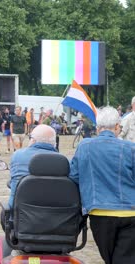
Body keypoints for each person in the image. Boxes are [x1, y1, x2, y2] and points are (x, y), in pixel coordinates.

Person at [69, 106, 135, 264]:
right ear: (118, 127)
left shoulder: (84, 146)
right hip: (130, 212)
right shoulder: (130, 148)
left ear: (97, 128)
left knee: (110, 258)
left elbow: (74, 176)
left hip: (99, 213)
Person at [8, 125, 59, 208]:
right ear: (54, 143)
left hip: (20, 215)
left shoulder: (17, 156)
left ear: (33, 140)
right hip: (56, 215)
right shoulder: (63, 161)